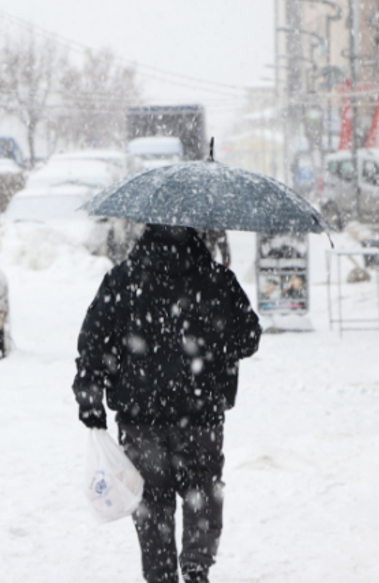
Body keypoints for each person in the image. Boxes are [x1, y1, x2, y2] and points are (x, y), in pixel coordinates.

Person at [73, 224, 261, 583]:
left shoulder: (122, 280)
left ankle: (160, 575)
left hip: (139, 415)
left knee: (152, 502)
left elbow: (94, 344)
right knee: (201, 491)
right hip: (200, 414)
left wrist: (90, 400)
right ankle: (195, 568)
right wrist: (210, 339)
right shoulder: (216, 279)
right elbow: (249, 337)